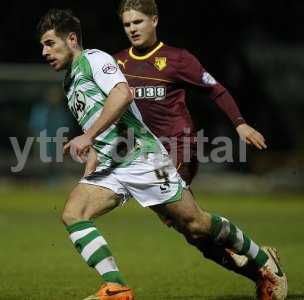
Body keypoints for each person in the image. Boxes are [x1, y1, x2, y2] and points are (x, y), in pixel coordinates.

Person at [38, 9, 287, 300]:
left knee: (196, 225)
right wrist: (89, 167)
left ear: (71, 39)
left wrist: (87, 137)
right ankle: (116, 287)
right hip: (112, 167)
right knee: (73, 212)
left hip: (143, 159)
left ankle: (263, 262)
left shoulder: (95, 60)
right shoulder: (70, 82)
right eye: (42, 45)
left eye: (49, 43)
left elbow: (122, 95)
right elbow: (98, 132)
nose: (44, 52)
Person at [114, 0, 267, 186]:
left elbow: (215, 90)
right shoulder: (117, 63)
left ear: (154, 21)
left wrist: (240, 124)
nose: (132, 29)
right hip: (144, 148)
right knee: (176, 213)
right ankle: (209, 218)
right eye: (127, 24)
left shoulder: (178, 58)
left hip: (179, 145)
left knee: (169, 198)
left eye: (138, 22)